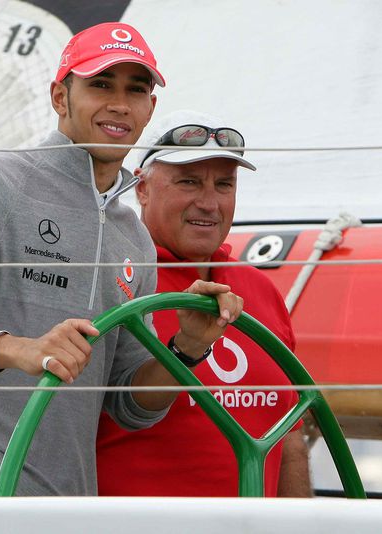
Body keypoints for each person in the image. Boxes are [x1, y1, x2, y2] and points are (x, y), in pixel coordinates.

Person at [0, 24, 243, 497]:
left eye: (135, 90)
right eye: (101, 84)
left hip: (64, 495)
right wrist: (20, 349)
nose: (119, 103)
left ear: (149, 110)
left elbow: (133, 405)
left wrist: (188, 347)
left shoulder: (134, 237)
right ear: (60, 97)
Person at [96, 110, 312, 497]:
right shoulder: (111, 277)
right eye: (189, 182)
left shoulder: (262, 290)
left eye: (224, 185)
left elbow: (290, 437)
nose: (210, 203)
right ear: (142, 188)